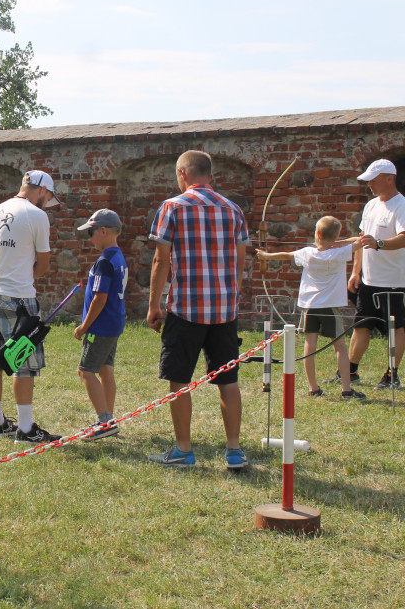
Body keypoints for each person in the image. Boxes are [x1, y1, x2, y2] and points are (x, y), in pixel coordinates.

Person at [146, 150, 251, 470]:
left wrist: (153, 305)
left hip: (186, 309)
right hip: (224, 310)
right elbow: (240, 260)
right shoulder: (233, 210)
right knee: (228, 381)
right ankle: (234, 451)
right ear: (210, 175)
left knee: (179, 380)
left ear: (182, 173)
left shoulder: (173, 207)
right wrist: (233, 295)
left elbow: (161, 260)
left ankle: (183, 450)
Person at [0, 170, 62, 443]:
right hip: (20, 297)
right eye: (48, 197)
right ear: (42, 190)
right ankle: (26, 429)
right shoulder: (38, 216)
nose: (47, 203)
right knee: (23, 363)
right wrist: (23, 277)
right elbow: (43, 264)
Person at [256, 216, 365, 399]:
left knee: (310, 345)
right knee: (340, 347)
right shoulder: (340, 252)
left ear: (318, 234)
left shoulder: (308, 253)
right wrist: (338, 242)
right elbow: (359, 241)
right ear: (335, 236)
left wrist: (266, 256)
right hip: (330, 306)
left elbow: (286, 256)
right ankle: (346, 390)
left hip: (310, 306)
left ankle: (313, 388)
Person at [349, 158, 405, 391]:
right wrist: (355, 272)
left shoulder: (401, 205)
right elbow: (363, 240)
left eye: (373, 180)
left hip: (394, 282)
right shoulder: (370, 205)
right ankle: (349, 372)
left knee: (396, 328)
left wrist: (380, 243)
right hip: (368, 281)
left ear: (389, 179)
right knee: (361, 326)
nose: (369, 184)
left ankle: (392, 375)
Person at [73, 209, 128, 440]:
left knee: (85, 371)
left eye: (91, 233)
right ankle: (109, 419)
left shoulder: (104, 262)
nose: (91, 238)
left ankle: (104, 421)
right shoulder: (118, 256)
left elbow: (99, 298)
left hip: (100, 327)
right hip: (114, 324)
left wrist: (84, 327)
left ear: (103, 231)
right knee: (106, 370)